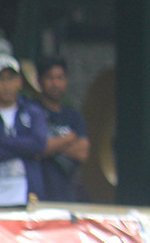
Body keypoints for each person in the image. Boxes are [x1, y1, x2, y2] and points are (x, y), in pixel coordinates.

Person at [34, 56, 90, 202]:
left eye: (60, 78)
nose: (55, 83)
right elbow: (36, 148)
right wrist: (68, 139)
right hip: (37, 192)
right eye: (50, 78)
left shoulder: (73, 116)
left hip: (66, 193)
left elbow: (82, 153)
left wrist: (50, 144)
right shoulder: (32, 111)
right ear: (39, 81)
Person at [0, 53, 47, 207]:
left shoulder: (33, 112)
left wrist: (4, 143)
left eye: (10, 78)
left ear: (20, 81)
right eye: (1, 79)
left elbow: (38, 144)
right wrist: (22, 146)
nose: (5, 85)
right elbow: (30, 145)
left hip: (27, 194)